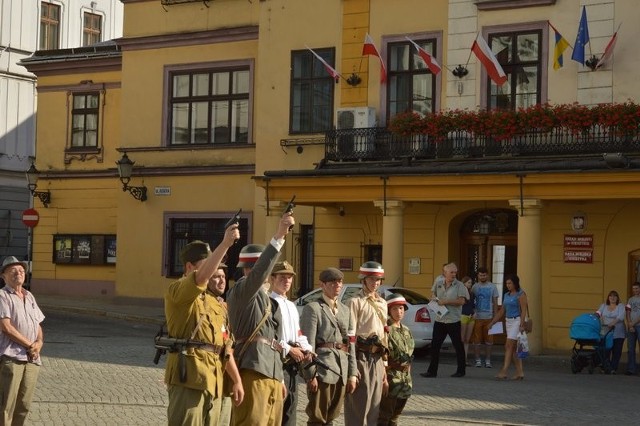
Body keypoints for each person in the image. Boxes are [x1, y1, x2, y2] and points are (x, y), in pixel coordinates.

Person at [163, 227, 243, 425]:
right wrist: (225, 244)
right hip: (189, 377)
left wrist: (237, 380)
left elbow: (225, 348)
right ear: (189, 267)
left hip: (214, 382)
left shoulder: (217, 303)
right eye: (207, 265)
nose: (217, 275)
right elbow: (201, 278)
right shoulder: (178, 291)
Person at [226, 212, 294, 426]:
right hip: (252, 370)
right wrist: (280, 236)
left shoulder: (269, 301)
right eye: (261, 267)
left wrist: (280, 378)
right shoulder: (241, 290)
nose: (266, 273)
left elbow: (273, 338)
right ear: (248, 269)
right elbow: (258, 274)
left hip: (271, 373)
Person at [300, 267, 357, 426]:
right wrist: (310, 374)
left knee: (332, 416)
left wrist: (352, 374)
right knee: (317, 417)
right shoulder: (313, 308)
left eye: (339, 282)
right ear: (322, 285)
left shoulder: (345, 310)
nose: (337, 285)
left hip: (341, 369)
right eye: (332, 282)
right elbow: (307, 344)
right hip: (322, 369)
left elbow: (350, 344)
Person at [0, 256, 45, 425]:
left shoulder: (29, 296)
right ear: (3, 276)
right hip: (11, 358)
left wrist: (39, 343)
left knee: (24, 404)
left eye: (21, 270)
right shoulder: (2, 296)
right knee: (6, 406)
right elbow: (6, 327)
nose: (18, 273)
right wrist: (30, 345)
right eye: (12, 271)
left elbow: (38, 324)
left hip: (32, 358)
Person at [344, 261, 389, 426]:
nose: (375, 283)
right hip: (360, 356)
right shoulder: (354, 302)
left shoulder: (383, 303)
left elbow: (384, 336)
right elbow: (350, 336)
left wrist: (384, 365)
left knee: (374, 407)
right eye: (371, 279)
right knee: (358, 405)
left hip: (377, 357)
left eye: (378, 280)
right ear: (363, 280)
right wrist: (352, 369)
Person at [269, 261, 313, 426]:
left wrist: (308, 349)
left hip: (292, 366)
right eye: (282, 277)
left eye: (289, 277)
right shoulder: (269, 303)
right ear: (272, 279)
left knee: (291, 412)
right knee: (276, 412)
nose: (287, 281)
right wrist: (289, 349)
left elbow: (299, 333)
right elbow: (269, 337)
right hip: (277, 364)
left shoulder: (291, 305)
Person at [206, 263, 243, 426]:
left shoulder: (224, 305)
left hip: (223, 379)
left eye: (223, 277)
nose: (222, 281)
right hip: (210, 376)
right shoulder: (207, 305)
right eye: (216, 277)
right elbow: (224, 349)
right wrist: (237, 380)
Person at [420, 262, 469, 378]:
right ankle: (432, 371)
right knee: (435, 346)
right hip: (440, 319)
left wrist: (446, 301)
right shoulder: (439, 283)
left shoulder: (460, 285)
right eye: (451, 272)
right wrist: (433, 299)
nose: (454, 274)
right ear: (445, 273)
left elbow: (462, 301)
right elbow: (432, 295)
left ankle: (461, 370)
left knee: (458, 346)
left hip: (453, 320)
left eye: (455, 272)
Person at [378, 294, 415, 426]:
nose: (399, 312)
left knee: (395, 416)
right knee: (384, 416)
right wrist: (384, 380)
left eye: (401, 308)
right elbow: (383, 357)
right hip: (391, 378)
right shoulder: (385, 330)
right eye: (395, 309)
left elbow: (409, 355)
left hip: (404, 380)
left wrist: (408, 374)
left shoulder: (406, 330)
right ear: (389, 311)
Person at [490, 274, 528, 380]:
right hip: (508, 321)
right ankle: (520, 372)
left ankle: (504, 371)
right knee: (514, 348)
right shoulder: (507, 295)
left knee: (508, 345)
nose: (508, 285)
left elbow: (524, 310)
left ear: (515, 283)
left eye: (510, 283)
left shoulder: (521, 294)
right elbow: (502, 310)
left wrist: (521, 324)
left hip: (517, 321)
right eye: (507, 283)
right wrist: (493, 322)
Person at [471, 267, 499, 368]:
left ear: (487, 275)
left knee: (489, 341)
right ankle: (477, 360)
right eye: (480, 275)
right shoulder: (474, 287)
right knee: (477, 341)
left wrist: (495, 317)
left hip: (490, 318)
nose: (482, 277)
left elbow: (495, 302)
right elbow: (471, 302)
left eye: (484, 275)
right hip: (477, 317)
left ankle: (488, 360)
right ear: (478, 276)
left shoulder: (493, 287)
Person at [596, 290, 626, 374]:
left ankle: (613, 368)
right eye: (611, 296)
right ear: (608, 298)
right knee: (606, 350)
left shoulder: (620, 306)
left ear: (617, 298)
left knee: (616, 351)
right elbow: (598, 312)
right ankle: (606, 367)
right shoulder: (604, 306)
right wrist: (596, 316)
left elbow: (621, 316)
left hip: (618, 332)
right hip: (606, 332)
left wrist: (612, 323)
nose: (612, 298)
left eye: (614, 296)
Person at [460, 276, 475, 366]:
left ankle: (465, 359)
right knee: (462, 338)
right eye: (468, 282)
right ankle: (461, 359)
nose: (470, 284)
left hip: (471, 316)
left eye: (471, 283)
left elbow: (473, 305)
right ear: (464, 283)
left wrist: (474, 312)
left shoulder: (472, 294)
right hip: (463, 316)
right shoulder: (461, 293)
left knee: (467, 339)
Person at [625, 282, 640, 375]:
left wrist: (633, 323)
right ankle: (631, 369)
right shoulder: (630, 300)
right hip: (631, 327)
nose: (635, 290)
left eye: (637, 288)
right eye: (634, 288)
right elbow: (627, 312)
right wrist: (630, 324)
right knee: (630, 349)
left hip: (638, 326)